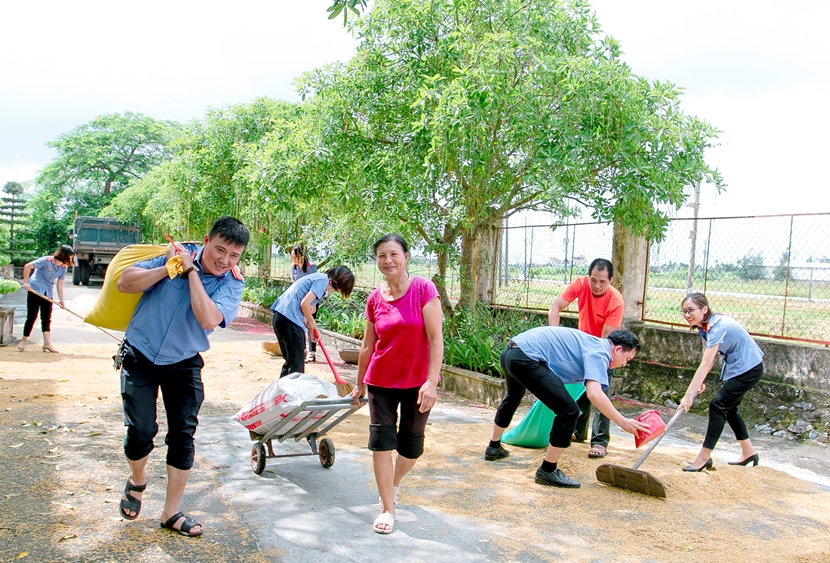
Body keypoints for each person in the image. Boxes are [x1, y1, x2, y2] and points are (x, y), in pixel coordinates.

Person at [115, 216, 249, 537]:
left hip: (184, 360)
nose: (225, 261)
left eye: (234, 256)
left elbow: (208, 319)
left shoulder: (232, 283)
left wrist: (190, 273)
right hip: (140, 353)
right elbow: (124, 283)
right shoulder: (173, 254)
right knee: (141, 431)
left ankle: (170, 512)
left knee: (183, 436)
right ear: (206, 240)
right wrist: (169, 268)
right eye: (220, 250)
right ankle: (137, 480)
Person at [348, 234, 443, 535]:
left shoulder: (424, 289)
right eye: (381, 255)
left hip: (417, 383)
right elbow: (367, 345)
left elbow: (436, 339)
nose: (387, 260)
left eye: (393, 254)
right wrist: (359, 384)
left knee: (411, 448)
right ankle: (388, 508)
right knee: (381, 444)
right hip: (381, 381)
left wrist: (431, 382)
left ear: (405, 257)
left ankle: (394, 481)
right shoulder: (374, 299)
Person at [485, 326, 647, 488]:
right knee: (569, 411)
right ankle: (548, 470)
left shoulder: (592, 343)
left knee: (513, 396)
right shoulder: (600, 353)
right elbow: (594, 394)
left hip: (511, 351)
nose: (624, 364)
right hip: (526, 357)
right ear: (617, 349)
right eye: (627, 359)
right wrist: (623, 422)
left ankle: (494, 447)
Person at [678, 293, 765, 471]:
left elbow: (706, 363)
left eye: (691, 310)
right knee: (729, 408)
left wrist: (688, 396)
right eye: (684, 311)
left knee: (718, 405)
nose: (687, 315)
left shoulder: (718, 327)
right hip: (739, 368)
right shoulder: (704, 326)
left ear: (704, 309)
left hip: (750, 368)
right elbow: (707, 359)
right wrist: (699, 383)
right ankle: (748, 452)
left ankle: (704, 457)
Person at [548, 258, 624, 458]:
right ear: (588, 277)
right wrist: (553, 336)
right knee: (580, 389)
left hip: (604, 349)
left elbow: (606, 339)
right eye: (593, 280)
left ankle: (600, 441)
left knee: (600, 393)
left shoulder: (616, 301)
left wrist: (594, 362)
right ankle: (578, 431)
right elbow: (556, 307)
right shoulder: (580, 284)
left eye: (602, 282)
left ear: (611, 281)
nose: (597, 285)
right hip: (581, 347)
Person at [270, 265, 354, 378]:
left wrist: (312, 329)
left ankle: (282, 388)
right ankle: (293, 389)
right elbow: (304, 304)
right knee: (296, 364)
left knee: (291, 361)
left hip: (281, 317)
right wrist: (311, 320)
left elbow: (304, 310)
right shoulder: (323, 281)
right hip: (289, 320)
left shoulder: (318, 278)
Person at [19, 245, 76, 353]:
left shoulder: (63, 268)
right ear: (64, 255)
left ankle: (47, 344)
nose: (71, 259)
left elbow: (60, 284)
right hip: (35, 290)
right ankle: (23, 340)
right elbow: (27, 266)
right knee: (32, 316)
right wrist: (26, 283)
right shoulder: (46, 260)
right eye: (70, 256)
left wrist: (62, 301)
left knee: (46, 318)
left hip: (47, 293)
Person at [289, 243, 319, 362]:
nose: (294, 260)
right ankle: (302, 350)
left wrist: (312, 304)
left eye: (296, 257)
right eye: (292, 257)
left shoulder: (311, 267)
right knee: (299, 324)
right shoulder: (294, 268)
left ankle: (312, 352)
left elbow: (315, 286)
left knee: (311, 324)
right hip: (299, 300)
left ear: (302, 256)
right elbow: (294, 285)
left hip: (311, 300)